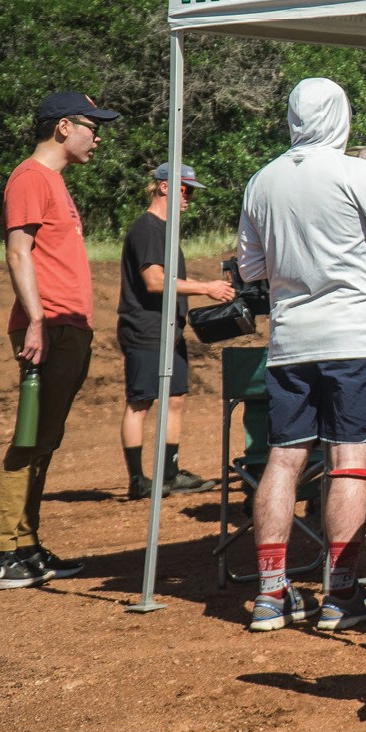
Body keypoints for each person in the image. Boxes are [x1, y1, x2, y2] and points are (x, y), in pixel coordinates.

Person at [235, 77, 366, 632]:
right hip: (353, 340)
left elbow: (250, 269)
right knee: (350, 459)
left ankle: (271, 593)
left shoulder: (261, 181)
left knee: (284, 458)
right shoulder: (356, 172)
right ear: (340, 115)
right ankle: (340, 595)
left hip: (290, 342)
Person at [0, 90, 119, 593]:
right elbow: (18, 253)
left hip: (64, 326)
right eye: (91, 126)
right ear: (63, 127)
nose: (96, 137)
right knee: (31, 436)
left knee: (46, 438)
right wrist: (35, 320)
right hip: (49, 326)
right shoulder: (31, 177)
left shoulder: (51, 181)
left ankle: (23, 543)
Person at [118, 161, 229, 500]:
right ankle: (138, 480)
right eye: (186, 191)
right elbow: (154, 281)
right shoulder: (148, 229)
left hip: (170, 330)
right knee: (140, 402)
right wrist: (205, 288)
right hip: (146, 328)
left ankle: (169, 474)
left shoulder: (165, 230)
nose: (189, 199)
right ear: (165, 187)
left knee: (176, 399)